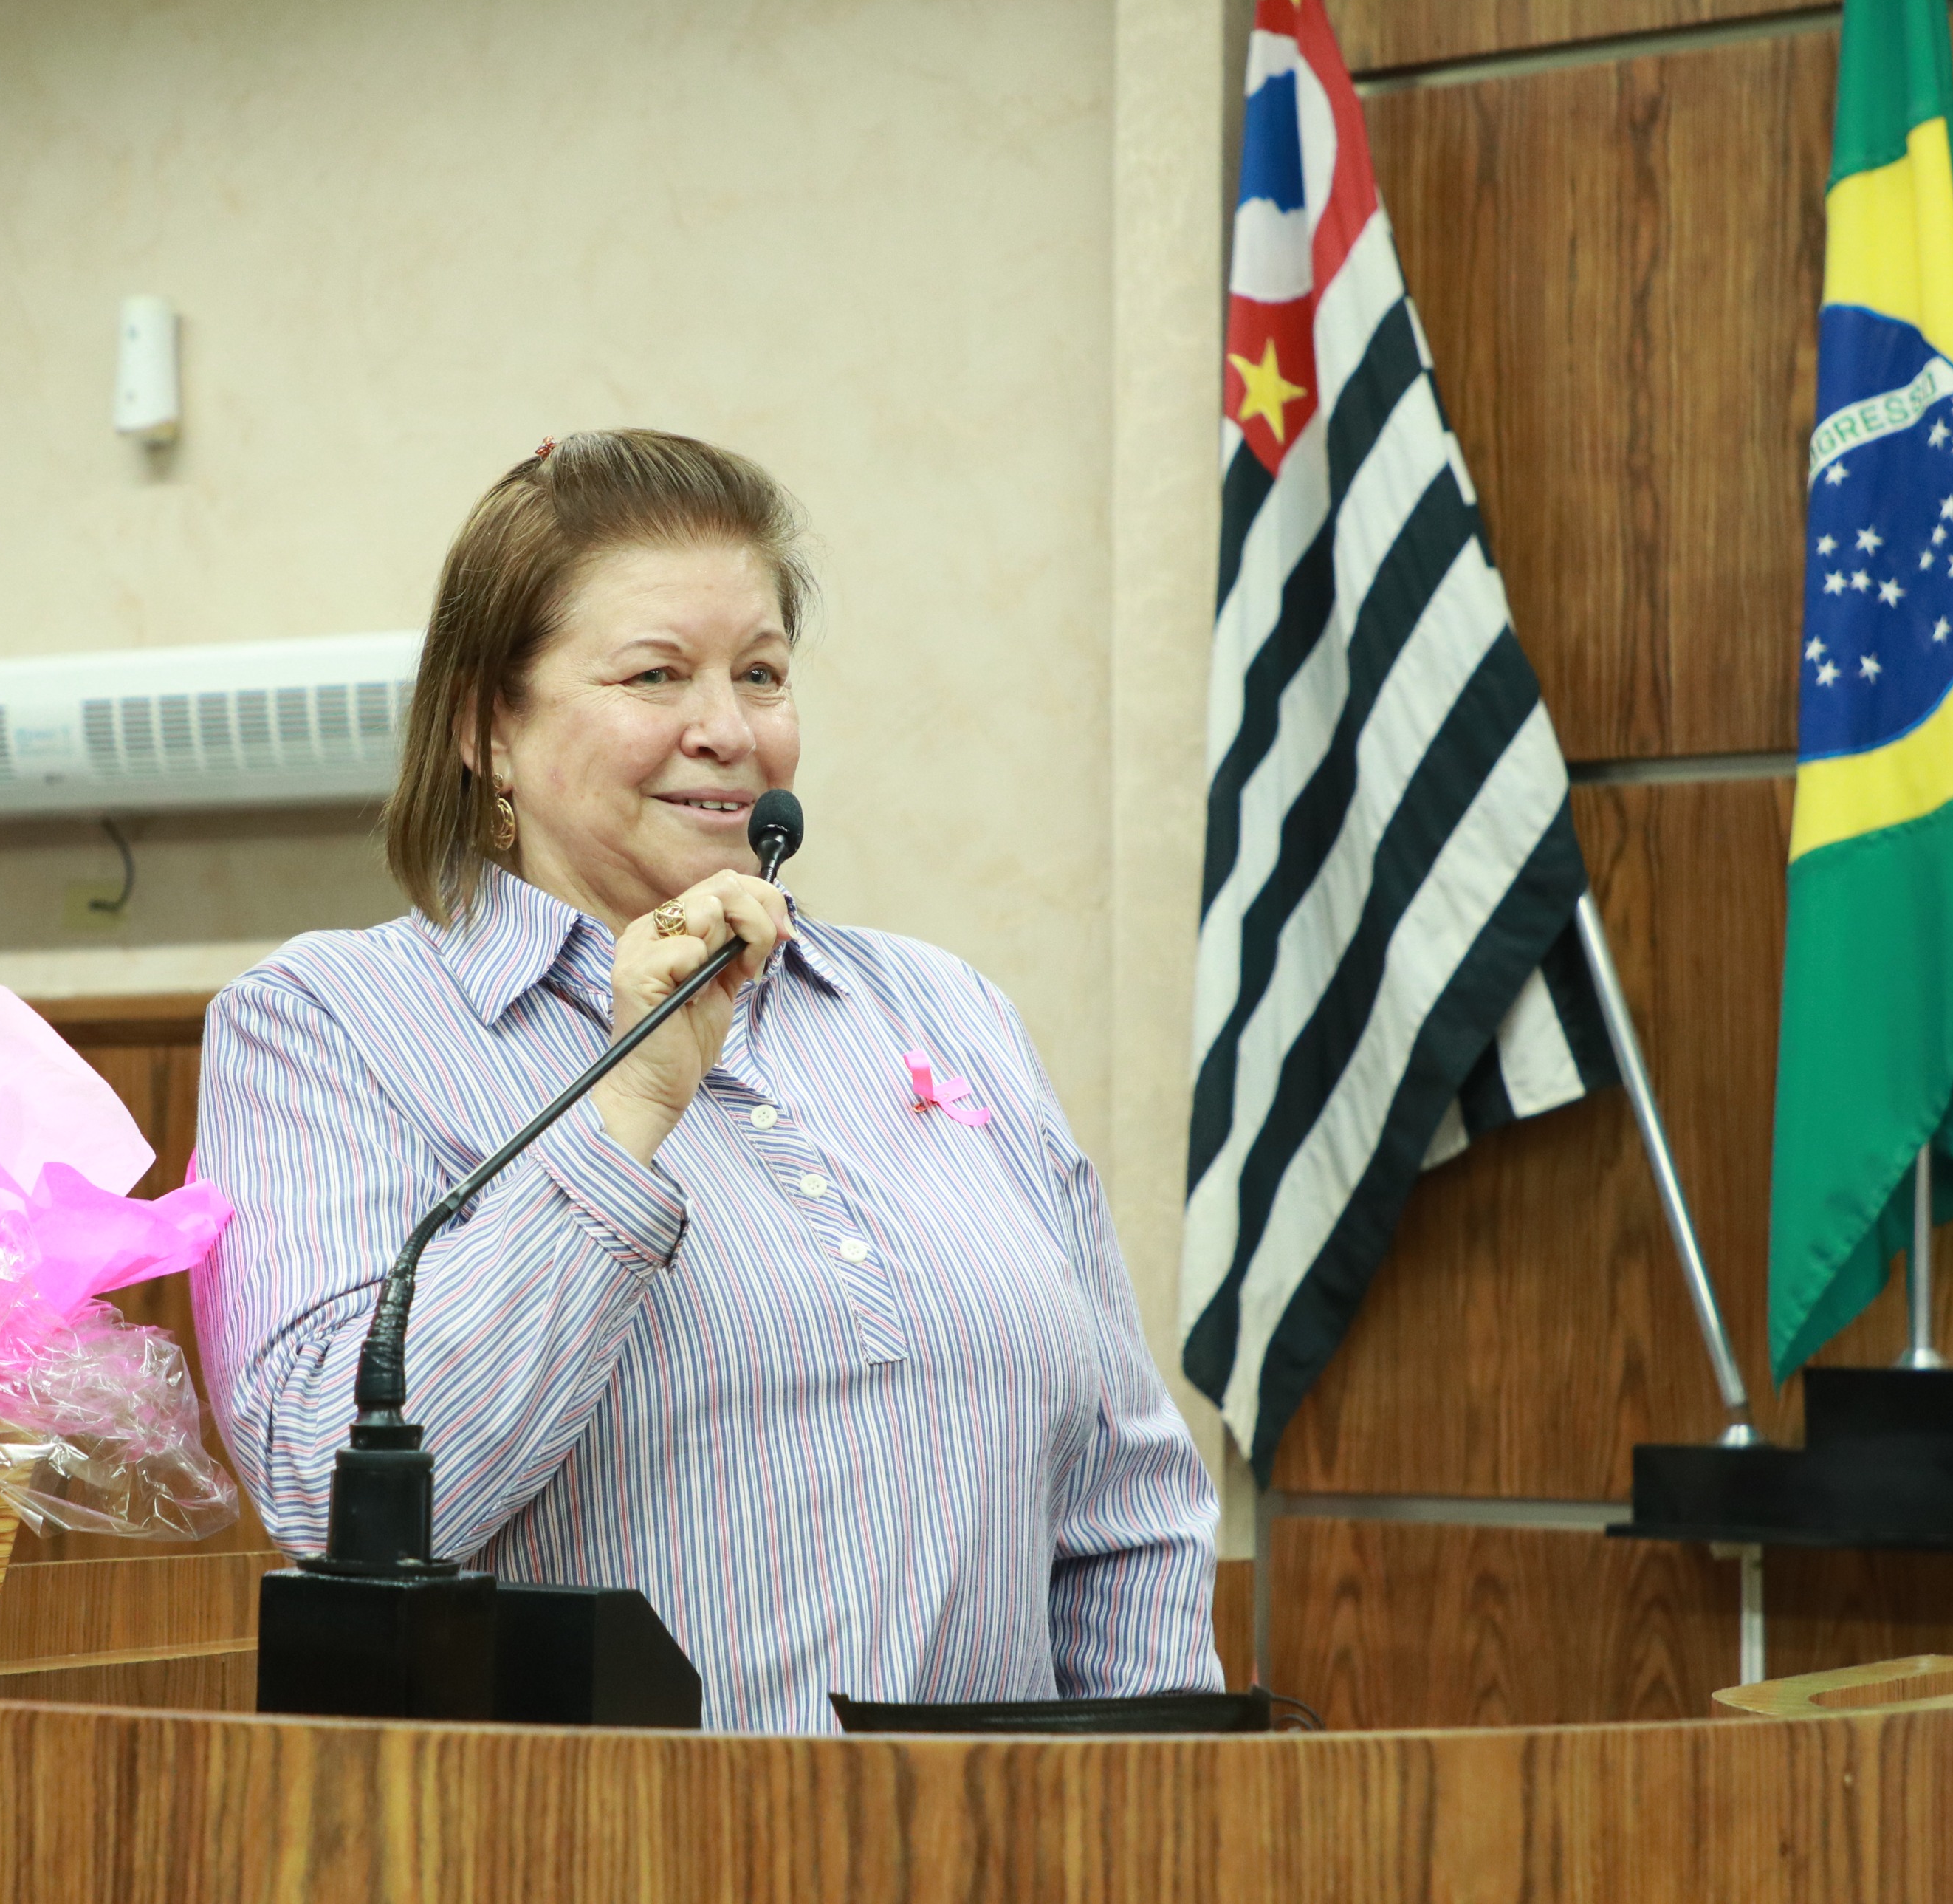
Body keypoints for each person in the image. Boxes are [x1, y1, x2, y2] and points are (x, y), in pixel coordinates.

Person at [193, 429, 1220, 1732]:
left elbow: (1128, 1508)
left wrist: (1147, 1804)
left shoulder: (944, 1009)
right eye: (656, 674)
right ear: (484, 725)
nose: (729, 731)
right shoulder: (326, 1025)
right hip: (616, 1831)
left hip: (1000, 1829)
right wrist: (626, 1117)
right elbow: (325, 1495)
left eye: (762, 674)